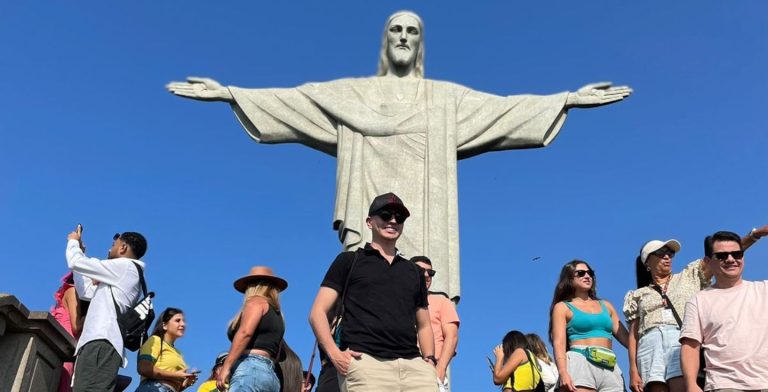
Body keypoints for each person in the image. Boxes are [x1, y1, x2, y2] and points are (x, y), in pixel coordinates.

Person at [167, 10, 633, 299]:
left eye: (413, 30)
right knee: (366, 290)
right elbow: (296, 100)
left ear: (421, 42)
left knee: (424, 299)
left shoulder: (443, 99)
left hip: (428, 223)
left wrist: (566, 99)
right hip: (369, 223)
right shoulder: (352, 94)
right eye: (396, 30)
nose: (404, 37)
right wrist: (230, 93)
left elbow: (503, 110)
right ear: (386, 41)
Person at [308, 192, 438, 392]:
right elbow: (317, 312)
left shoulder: (414, 271)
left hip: (415, 369)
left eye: (399, 217)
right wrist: (335, 354)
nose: (393, 220)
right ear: (370, 222)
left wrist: (429, 361)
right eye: (386, 215)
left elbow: (424, 324)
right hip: (366, 365)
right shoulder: (349, 260)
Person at [623, 225, 768, 392]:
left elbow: (722, 256)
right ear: (647, 261)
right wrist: (633, 370)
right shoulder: (637, 295)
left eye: (670, 254)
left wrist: (755, 235)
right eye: (660, 253)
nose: (667, 257)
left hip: (680, 340)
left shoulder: (689, 276)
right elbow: (634, 334)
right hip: (649, 345)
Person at [680, 230, 768, 392]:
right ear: (708, 261)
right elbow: (690, 345)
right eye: (722, 256)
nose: (730, 259)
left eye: (737, 254)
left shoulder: (764, 289)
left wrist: (757, 233)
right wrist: (691, 384)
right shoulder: (698, 301)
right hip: (724, 385)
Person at [65, 227, 148, 391]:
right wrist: (80, 254)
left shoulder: (126, 267)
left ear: (123, 247)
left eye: (113, 244)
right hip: (98, 341)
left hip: (102, 340)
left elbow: (76, 262)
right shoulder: (122, 273)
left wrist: (73, 241)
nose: (110, 248)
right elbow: (86, 290)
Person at [549, 260, 629, 392]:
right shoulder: (562, 307)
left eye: (590, 273)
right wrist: (563, 372)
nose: (587, 276)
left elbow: (628, 340)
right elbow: (559, 343)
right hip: (581, 362)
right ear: (569, 278)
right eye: (581, 273)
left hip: (610, 365)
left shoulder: (607, 306)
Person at [217, 266, 287, 392]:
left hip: (250, 369)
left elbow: (245, 333)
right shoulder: (278, 316)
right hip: (270, 376)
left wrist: (226, 366)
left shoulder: (256, 302)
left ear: (252, 286)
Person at [411, 256, 460, 391]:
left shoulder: (442, 301)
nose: (426, 275)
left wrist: (441, 367)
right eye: (420, 270)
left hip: (430, 370)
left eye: (430, 273)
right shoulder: (398, 301)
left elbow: (452, 336)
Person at [136, 307, 198, 391]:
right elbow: (143, 368)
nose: (183, 324)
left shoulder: (178, 353)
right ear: (164, 325)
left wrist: (186, 383)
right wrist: (175, 375)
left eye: (184, 321)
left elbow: (174, 384)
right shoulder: (155, 341)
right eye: (177, 320)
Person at [51, 271, 85, 392]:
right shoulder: (72, 290)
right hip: (66, 343)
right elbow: (76, 325)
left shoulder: (69, 290)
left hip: (65, 342)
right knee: (64, 382)